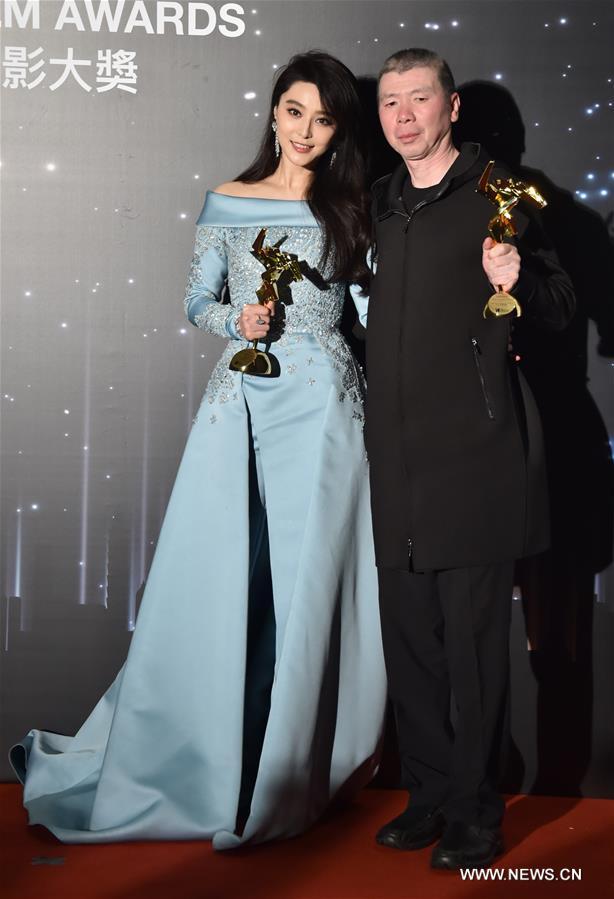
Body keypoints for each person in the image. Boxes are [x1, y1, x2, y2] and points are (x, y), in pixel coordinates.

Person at [10, 51, 387, 849]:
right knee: (222, 579)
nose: (306, 131)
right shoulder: (227, 198)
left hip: (325, 407)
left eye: (323, 118)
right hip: (244, 399)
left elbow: (370, 307)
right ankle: (202, 759)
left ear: (340, 129)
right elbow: (194, 299)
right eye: (294, 111)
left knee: (311, 585)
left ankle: (291, 763)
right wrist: (233, 323)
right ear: (274, 112)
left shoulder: (353, 206)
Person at [365, 48, 575, 869]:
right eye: (390, 102)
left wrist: (517, 277)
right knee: (411, 645)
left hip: (477, 458)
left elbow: (561, 306)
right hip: (395, 460)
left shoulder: (501, 193)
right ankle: (427, 797)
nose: (404, 114)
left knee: (476, 651)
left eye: (420, 98)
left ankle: (476, 814)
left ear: (451, 108)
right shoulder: (378, 202)